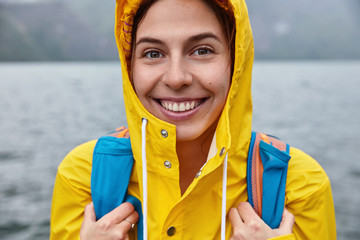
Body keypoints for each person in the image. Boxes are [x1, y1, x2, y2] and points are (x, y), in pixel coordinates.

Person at [50, 0, 336, 239]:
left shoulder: (299, 186)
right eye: (152, 53)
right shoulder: (83, 177)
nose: (176, 78)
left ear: (235, 62)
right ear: (130, 67)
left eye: (202, 51)